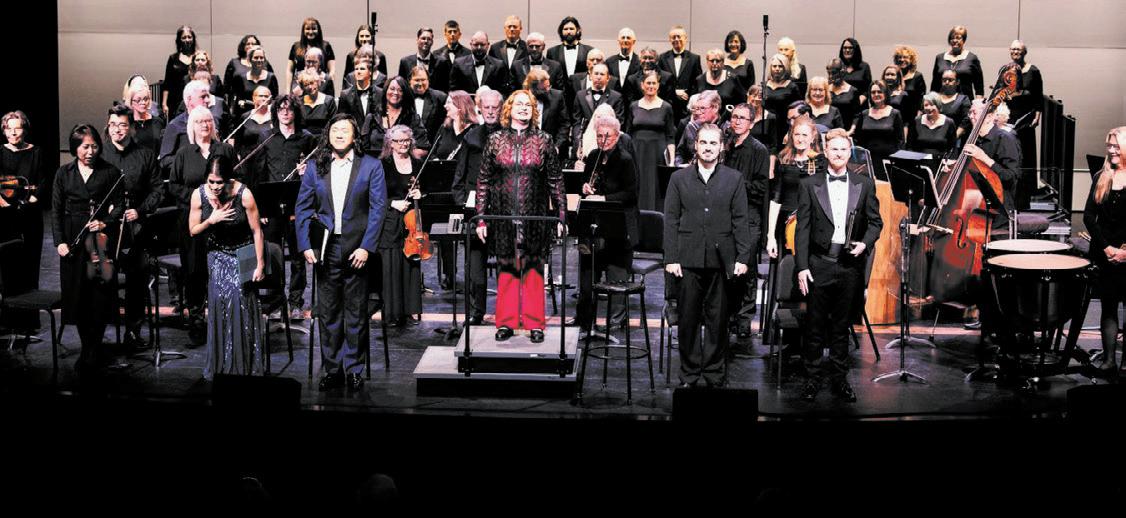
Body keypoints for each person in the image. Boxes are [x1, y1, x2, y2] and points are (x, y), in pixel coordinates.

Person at [296, 114, 386, 392]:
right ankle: (332, 369)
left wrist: (366, 247)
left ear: (354, 136)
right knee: (329, 312)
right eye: (334, 130)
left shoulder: (371, 166)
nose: (338, 134)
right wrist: (305, 245)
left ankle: (354, 368)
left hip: (357, 248)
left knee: (356, 313)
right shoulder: (315, 167)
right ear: (328, 134)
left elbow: (378, 209)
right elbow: (303, 208)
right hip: (326, 249)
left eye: (344, 130)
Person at [795, 128, 882, 402]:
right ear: (825, 151)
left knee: (841, 327)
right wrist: (801, 267)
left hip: (849, 265)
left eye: (844, 149)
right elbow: (802, 229)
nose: (839, 154)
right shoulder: (809, 184)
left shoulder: (864, 184)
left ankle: (839, 379)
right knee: (814, 326)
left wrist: (864, 244)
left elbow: (876, 222)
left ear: (850, 152)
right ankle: (812, 379)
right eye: (834, 149)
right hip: (819, 263)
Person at [664, 123, 751, 387]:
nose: (708, 148)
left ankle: (714, 373)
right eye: (703, 142)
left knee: (718, 320)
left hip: (721, 260)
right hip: (687, 259)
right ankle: (689, 373)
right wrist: (671, 258)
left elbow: (741, 220)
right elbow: (671, 220)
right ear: (696, 145)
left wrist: (743, 258)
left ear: (721, 147)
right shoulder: (678, 179)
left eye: (713, 143)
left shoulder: (734, 179)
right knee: (688, 319)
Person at [475, 90, 565, 343]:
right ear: (509, 109)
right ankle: (506, 322)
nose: (524, 108)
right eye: (519, 104)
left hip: (535, 215)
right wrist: (481, 218)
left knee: (533, 269)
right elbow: (483, 181)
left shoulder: (544, 140)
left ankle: (535, 323)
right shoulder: (495, 140)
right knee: (507, 267)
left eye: (528, 105)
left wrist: (561, 215)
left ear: (534, 111)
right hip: (502, 214)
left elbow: (556, 180)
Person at [52, 124, 125, 374]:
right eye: (85, 147)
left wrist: (106, 222)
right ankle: (87, 347)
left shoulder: (110, 172)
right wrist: (60, 242)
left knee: (99, 294)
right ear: (75, 148)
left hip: (99, 240)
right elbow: (56, 210)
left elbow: (119, 205)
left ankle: (94, 348)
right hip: (73, 236)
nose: (90, 152)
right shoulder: (64, 173)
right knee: (78, 294)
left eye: (94, 146)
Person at [188, 154, 265, 379]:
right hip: (218, 254)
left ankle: (244, 367)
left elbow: (257, 231)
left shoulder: (244, 194)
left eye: (219, 182)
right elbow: (193, 230)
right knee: (221, 307)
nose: (214, 187)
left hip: (244, 252)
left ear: (228, 179)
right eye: (211, 181)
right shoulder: (199, 195)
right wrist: (211, 220)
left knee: (242, 308)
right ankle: (222, 367)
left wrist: (260, 263)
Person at [170, 106, 236, 344]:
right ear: (192, 126)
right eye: (199, 122)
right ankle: (197, 321)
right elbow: (174, 185)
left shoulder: (225, 150)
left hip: (223, 218)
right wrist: (200, 196)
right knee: (194, 272)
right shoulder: (184, 153)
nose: (205, 125)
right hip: (193, 221)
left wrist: (222, 198)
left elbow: (237, 180)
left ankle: (224, 321)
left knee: (222, 270)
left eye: (208, 121)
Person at [102, 104, 162, 349]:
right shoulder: (100, 154)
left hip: (135, 228)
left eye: (123, 125)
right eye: (113, 125)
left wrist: (140, 210)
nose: (117, 130)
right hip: (106, 228)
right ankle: (102, 329)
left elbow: (158, 190)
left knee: (137, 277)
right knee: (102, 276)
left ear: (131, 127)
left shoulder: (145, 155)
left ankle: (133, 331)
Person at [253, 94, 316, 320]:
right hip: (271, 205)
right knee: (272, 253)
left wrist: (306, 172)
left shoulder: (306, 138)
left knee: (298, 255)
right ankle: (274, 301)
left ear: (296, 112)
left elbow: (317, 171)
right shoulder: (267, 137)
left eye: (289, 109)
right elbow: (259, 173)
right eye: (281, 109)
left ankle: (296, 302)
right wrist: (260, 209)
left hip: (297, 204)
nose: (285, 113)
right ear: (276, 112)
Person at [574, 117, 639, 335]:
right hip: (594, 226)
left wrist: (604, 198)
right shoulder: (594, 156)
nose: (603, 140)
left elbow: (631, 193)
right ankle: (584, 321)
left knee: (616, 275)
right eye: (599, 136)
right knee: (587, 275)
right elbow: (584, 183)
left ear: (617, 136)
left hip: (618, 225)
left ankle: (616, 322)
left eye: (607, 136)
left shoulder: (625, 159)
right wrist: (585, 187)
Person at [452, 88, 503, 325]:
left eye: (495, 108)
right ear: (480, 108)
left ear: (501, 109)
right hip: (475, 210)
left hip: (502, 209)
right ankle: (476, 311)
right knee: (475, 268)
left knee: (505, 266)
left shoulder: (508, 136)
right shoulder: (471, 137)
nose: (490, 111)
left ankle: (506, 313)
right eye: (487, 107)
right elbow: (460, 175)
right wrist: (463, 201)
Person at [723, 104, 770, 342]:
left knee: (747, 269)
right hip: (725, 216)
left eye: (743, 118)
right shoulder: (726, 146)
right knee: (727, 269)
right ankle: (727, 316)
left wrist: (734, 183)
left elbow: (761, 188)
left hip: (749, 216)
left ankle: (743, 319)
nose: (737, 121)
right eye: (734, 117)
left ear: (751, 123)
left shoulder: (759, 150)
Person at [0, 111, 49, 337]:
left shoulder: (36, 152)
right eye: (9, 128)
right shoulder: (0, 152)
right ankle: (9, 320)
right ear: (4, 130)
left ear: (24, 129)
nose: (13, 132)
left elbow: (43, 180)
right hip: (5, 216)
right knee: (9, 267)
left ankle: (29, 322)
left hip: (30, 215)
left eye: (17, 128)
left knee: (30, 265)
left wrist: (33, 199)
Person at [1082, 127, 1126, 378]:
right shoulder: (1102, 175)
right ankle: (1109, 361)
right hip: (1104, 251)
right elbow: (1089, 216)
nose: (1111, 150)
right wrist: (1107, 248)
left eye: (1116, 146)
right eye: (1109, 145)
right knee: (1108, 307)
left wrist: (1125, 252)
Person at [375, 125, 425, 327]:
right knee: (392, 266)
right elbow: (374, 194)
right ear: (390, 143)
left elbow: (427, 188)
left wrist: (421, 194)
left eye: (406, 140)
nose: (403, 144)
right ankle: (392, 313)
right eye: (398, 141)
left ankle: (408, 311)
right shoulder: (382, 165)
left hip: (411, 221)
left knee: (410, 264)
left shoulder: (418, 163)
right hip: (390, 220)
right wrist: (392, 203)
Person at [767, 116, 824, 259]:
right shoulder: (783, 160)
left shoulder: (821, 162)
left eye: (805, 135)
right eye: (797, 134)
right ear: (791, 136)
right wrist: (770, 235)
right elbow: (776, 199)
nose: (800, 139)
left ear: (813, 137)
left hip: (811, 222)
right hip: (785, 222)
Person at [962, 99, 1020, 232]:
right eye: (970, 112)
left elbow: (1010, 177)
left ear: (989, 117)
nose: (970, 116)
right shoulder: (972, 138)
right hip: (975, 205)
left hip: (999, 211)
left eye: (974, 113)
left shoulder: (1005, 139)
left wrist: (984, 158)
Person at [1000, 40, 1043, 210]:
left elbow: (1038, 95)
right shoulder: (1005, 69)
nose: (1015, 52)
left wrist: (1038, 115)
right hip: (1009, 116)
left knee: (1025, 155)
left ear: (1024, 52)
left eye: (1018, 49)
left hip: (1026, 117)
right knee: (1011, 154)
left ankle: (1024, 198)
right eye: (1013, 49)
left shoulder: (1033, 71)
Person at [627, 70, 676, 211]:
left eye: (654, 83)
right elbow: (628, 133)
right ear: (642, 85)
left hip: (657, 153)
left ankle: (655, 218)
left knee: (656, 187)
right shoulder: (633, 106)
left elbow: (670, 136)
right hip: (637, 153)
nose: (651, 86)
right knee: (637, 183)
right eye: (648, 83)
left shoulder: (666, 107)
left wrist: (671, 162)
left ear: (658, 85)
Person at [363, 76, 429, 159]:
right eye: (392, 89)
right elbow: (362, 147)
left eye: (400, 90)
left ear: (404, 94)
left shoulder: (413, 118)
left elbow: (423, 148)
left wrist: (404, 157)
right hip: (374, 164)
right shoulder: (372, 117)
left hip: (401, 164)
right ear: (386, 91)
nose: (395, 92)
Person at [851, 80, 904, 179]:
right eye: (873, 92)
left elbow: (900, 141)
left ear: (885, 93)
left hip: (889, 162)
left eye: (879, 92)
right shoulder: (864, 114)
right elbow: (858, 140)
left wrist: (897, 163)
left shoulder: (895, 114)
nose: (876, 94)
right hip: (868, 163)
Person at [658, 25, 702, 122]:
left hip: (687, 106)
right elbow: (660, 82)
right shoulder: (662, 58)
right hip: (668, 105)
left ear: (685, 38)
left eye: (679, 36)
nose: (676, 39)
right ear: (670, 39)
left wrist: (691, 100)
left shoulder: (695, 58)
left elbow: (697, 83)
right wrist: (675, 92)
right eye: (673, 37)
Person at [524, 70, 571, 158]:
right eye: (544, 89)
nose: (548, 90)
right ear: (533, 88)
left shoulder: (557, 96)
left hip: (553, 149)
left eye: (549, 86)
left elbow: (564, 124)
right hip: (527, 151)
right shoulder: (521, 99)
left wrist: (557, 146)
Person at [450, 31, 511, 96]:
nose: (479, 48)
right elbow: (454, 91)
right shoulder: (459, 64)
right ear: (471, 44)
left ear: (488, 45)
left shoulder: (499, 65)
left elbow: (503, 92)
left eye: (482, 45)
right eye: (476, 44)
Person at [931, 25, 983, 99]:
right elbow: (934, 85)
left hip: (965, 103)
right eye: (952, 38)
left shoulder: (972, 58)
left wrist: (978, 104)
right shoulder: (939, 58)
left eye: (958, 38)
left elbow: (979, 87)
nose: (955, 40)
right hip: (942, 102)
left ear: (963, 40)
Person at [287, 18, 336, 96]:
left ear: (318, 30)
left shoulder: (326, 46)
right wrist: (288, 91)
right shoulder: (296, 46)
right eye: (307, 29)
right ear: (303, 31)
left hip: (321, 87)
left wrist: (327, 85)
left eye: (313, 29)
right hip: (301, 87)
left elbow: (332, 71)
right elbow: (289, 70)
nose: (310, 32)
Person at [571, 63, 627, 130]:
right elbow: (576, 122)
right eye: (596, 74)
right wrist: (578, 136)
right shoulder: (580, 96)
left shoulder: (616, 97)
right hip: (584, 134)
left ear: (608, 78)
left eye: (602, 74)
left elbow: (618, 123)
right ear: (590, 76)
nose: (598, 77)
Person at [223, 35, 275, 106]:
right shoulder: (234, 62)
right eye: (248, 44)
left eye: (253, 44)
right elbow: (227, 85)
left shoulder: (264, 64)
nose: (251, 46)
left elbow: (272, 88)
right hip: (243, 102)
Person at [398, 27, 452, 95]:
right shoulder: (405, 62)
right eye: (423, 38)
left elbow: (446, 88)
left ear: (432, 42)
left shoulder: (442, 62)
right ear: (417, 40)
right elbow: (402, 86)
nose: (426, 41)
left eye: (429, 39)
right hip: (412, 100)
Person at [227, 86, 273, 164]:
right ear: (254, 98)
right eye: (260, 96)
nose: (263, 98)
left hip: (269, 160)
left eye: (266, 96)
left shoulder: (275, 118)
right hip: (247, 161)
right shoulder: (245, 117)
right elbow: (238, 141)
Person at [229, 46, 279, 118]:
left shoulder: (271, 77)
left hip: (265, 116)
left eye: (261, 58)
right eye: (256, 57)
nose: (259, 60)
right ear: (250, 60)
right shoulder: (241, 78)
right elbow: (237, 100)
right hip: (245, 116)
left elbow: (275, 100)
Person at [675, 90, 723, 165]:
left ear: (715, 108)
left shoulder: (726, 128)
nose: (698, 112)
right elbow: (679, 153)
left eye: (702, 108)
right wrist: (679, 165)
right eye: (697, 108)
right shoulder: (691, 127)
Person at [907, 92, 957, 157]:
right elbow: (909, 146)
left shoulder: (949, 122)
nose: (929, 108)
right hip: (919, 160)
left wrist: (950, 161)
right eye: (926, 105)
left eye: (932, 105)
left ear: (938, 105)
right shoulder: (917, 121)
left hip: (940, 161)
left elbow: (953, 148)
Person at [696, 49, 744, 118]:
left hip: (727, 120)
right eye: (712, 60)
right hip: (703, 120)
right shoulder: (700, 79)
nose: (715, 63)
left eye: (718, 61)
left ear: (723, 62)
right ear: (707, 62)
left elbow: (742, 102)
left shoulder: (732, 78)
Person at [162, 25, 197, 118]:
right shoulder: (173, 58)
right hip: (175, 101)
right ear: (179, 40)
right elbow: (167, 82)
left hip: (194, 100)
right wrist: (164, 103)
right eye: (184, 37)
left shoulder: (198, 58)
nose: (187, 40)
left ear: (193, 39)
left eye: (189, 37)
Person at [408, 66, 449, 143]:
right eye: (417, 80)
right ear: (410, 81)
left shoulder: (440, 98)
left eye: (423, 80)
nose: (420, 83)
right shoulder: (404, 97)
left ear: (428, 81)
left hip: (432, 144)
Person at [125, 82, 166, 155]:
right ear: (131, 102)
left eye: (146, 99)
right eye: (138, 100)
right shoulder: (127, 123)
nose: (143, 103)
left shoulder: (158, 122)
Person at [338, 58, 383, 123]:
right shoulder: (345, 95)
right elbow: (341, 119)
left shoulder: (380, 93)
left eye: (362, 69)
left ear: (370, 72)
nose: (358, 72)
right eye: (356, 69)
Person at [296, 69, 337, 137]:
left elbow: (334, 124)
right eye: (306, 85)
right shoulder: (300, 102)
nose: (310, 87)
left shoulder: (329, 101)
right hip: (305, 139)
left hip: (325, 138)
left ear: (317, 82)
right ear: (302, 87)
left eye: (312, 83)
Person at [895, 44, 927, 125]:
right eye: (899, 57)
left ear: (911, 60)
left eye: (905, 57)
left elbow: (921, 98)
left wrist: (919, 115)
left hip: (912, 117)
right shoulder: (893, 76)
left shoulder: (917, 76)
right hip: (895, 116)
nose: (902, 59)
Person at [827, 58, 862, 131]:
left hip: (847, 130)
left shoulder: (853, 91)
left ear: (842, 72)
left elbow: (857, 115)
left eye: (833, 73)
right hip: (829, 130)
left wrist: (851, 130)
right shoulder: (826, 90)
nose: (830, 76)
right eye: (829, 73)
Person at [936, 69, 971, 139]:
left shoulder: (963, 99)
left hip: (953, 139)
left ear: (957, 82)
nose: (947, 82)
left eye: (950, 80)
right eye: (944, 80)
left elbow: (966, 120)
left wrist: (955, 137)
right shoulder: (935, 98)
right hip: (934, 138)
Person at [747, 85, 781, 152]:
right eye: (754, 95)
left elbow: (773, 145)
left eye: (759, 96)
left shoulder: (770, 117)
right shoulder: (742, 115)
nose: (756, 99)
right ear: (748, 96)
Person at [838, 38, 871, 105]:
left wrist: (861, 100)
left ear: (855, 50)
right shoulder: (838, 66)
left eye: (850, 48)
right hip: (841, 104)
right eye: (845, 48)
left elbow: (868, 88)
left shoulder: (864, 66)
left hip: (859, 105)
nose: (847, 50)